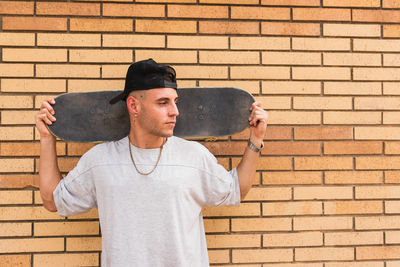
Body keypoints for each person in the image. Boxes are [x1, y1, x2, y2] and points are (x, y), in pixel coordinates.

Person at [35, 58, 268, 267]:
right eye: (163, 102)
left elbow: (236, 188)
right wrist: (47, 139)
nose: (175, 111)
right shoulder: (100, 161)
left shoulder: (193, 157)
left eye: (175, 101)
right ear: (134, 106)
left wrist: (256, 140)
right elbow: (52, 200)